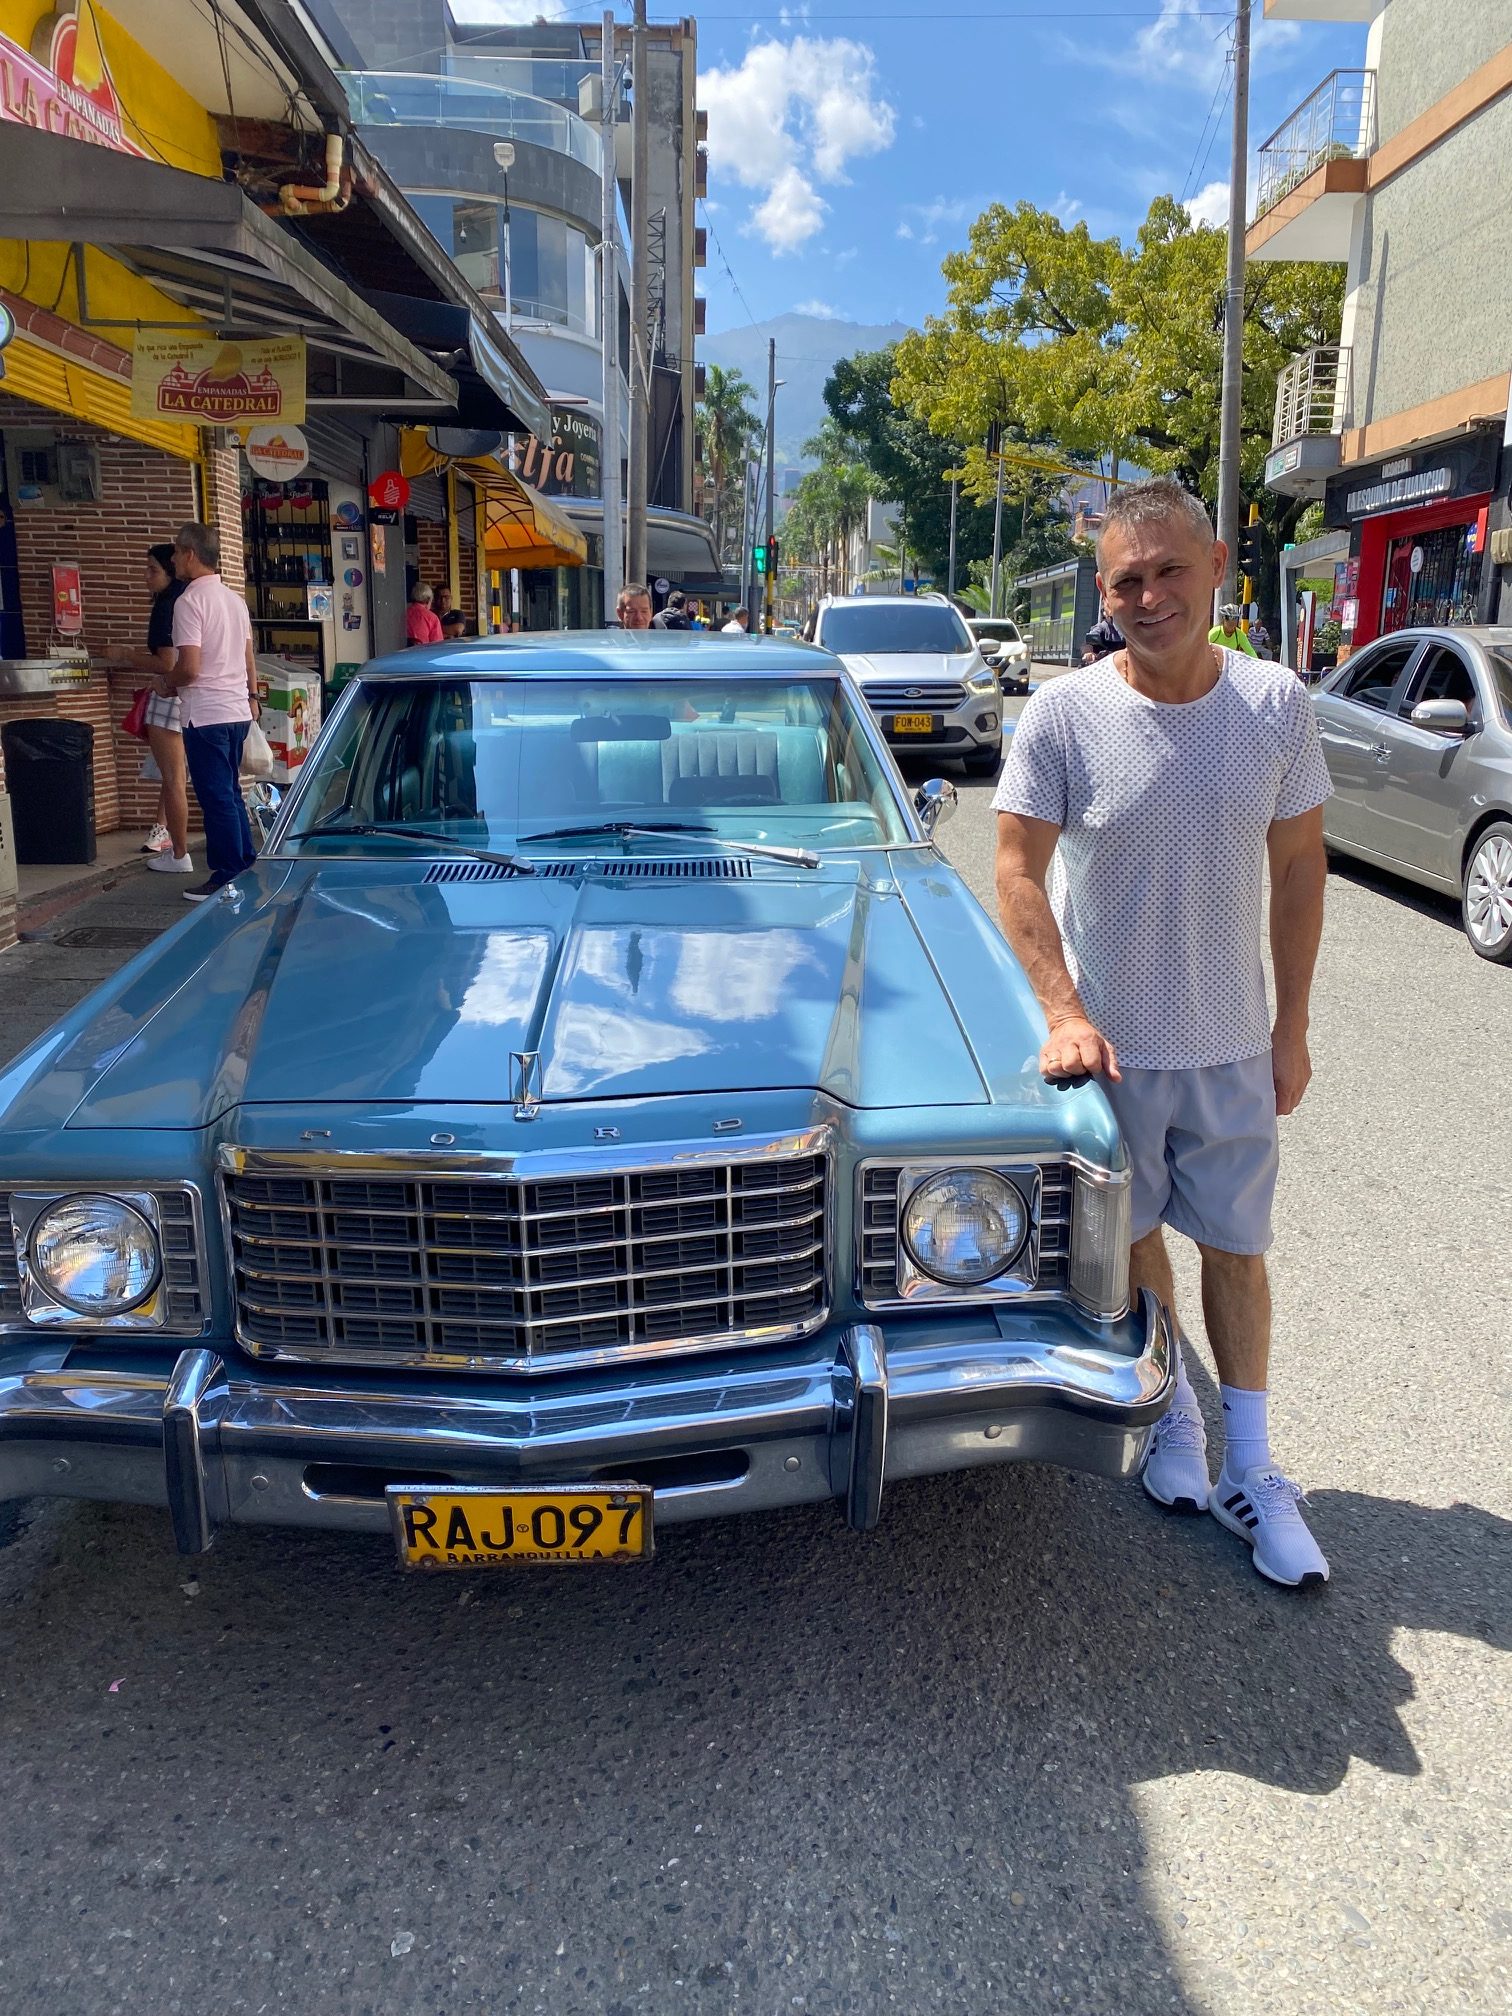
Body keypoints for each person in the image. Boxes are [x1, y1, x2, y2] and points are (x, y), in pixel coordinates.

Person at [993, 476, 1332, 1589]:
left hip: (1231, 1042)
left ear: (1219, 566)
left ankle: (1255, 1466)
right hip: (1116, 1053)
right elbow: (1016, 868)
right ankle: (1177, 1412)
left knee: (1237, 1250)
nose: (1149, 597)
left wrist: (1291, 1028)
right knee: (1137, 1242)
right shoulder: (1066, 716)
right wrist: (1064, 1012)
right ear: (1103, 593)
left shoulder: (1276, 704)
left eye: (1169, 570)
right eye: (1125, 581)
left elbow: (1299, 867)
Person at [167, 523, 261, 905]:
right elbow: (248, 656)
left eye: (176, 551)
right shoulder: (235, 601)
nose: (173, 558)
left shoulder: (188, 603)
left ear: (191, 554)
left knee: (217, 796)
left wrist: (165, 683)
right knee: (232, 793)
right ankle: (245, 864)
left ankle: (227, 875)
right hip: (237, 709)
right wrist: (253, 696)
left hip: (205, 713)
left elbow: (189, 668)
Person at [135, 544, 194, 877]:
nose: (146, 577)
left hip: (168, 694)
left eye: (152, 570)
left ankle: (178, 852)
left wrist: (124, 654)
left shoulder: (168, 606)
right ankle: (163, 833)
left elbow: (167, 662)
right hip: (192, 698)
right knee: (176, 776)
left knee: (173, 780)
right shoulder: (194, 601)